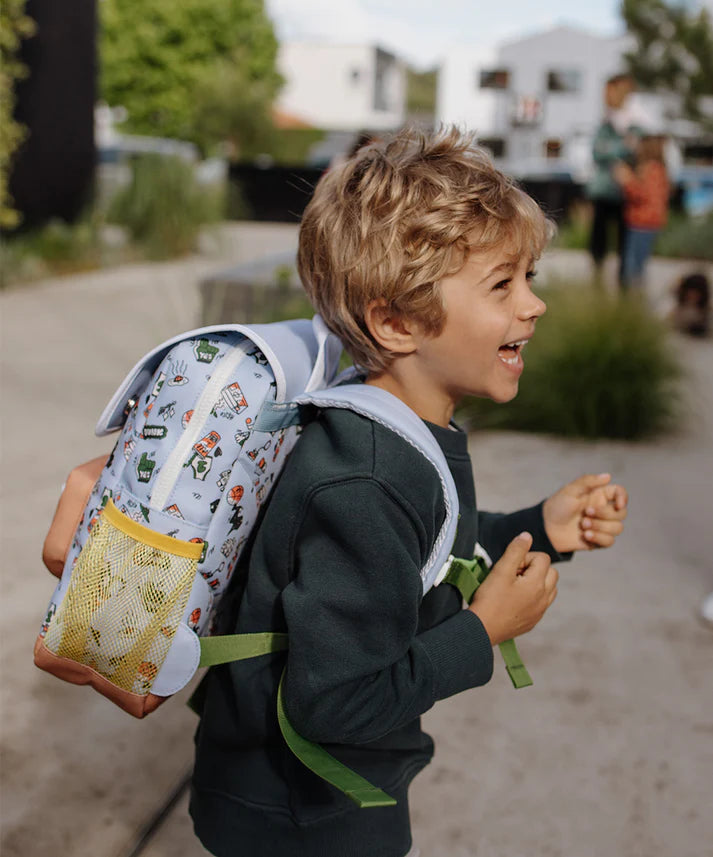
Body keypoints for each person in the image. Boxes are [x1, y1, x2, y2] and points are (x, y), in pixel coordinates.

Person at [190, 126, 629, 857]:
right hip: (303, 815)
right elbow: (332, 701)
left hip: (321, 794)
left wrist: (543, 528)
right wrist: (480, 631)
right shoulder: (363, 478)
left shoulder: (399, 432)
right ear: (394, 322)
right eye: (502, 284)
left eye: (530, 277)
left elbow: (425, 553)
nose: (533, 305)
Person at [587, 73, 637, 287]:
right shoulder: (607, 120)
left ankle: (623, 283)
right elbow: (598, 151)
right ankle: (598, 281)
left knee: (624, 241)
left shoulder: (633, 120)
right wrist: (621, 149)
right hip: (604, 189)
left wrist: (614, 151)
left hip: (625, 190)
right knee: (599, 239)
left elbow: (636, 148)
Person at [614, 134, 670, 291]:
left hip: (642, 222)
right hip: (646, 222)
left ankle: (633, 302)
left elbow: (643, 195)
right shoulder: (657, 168)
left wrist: (626, 179)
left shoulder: (651, 168)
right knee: (634, 265)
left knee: (632, 268)